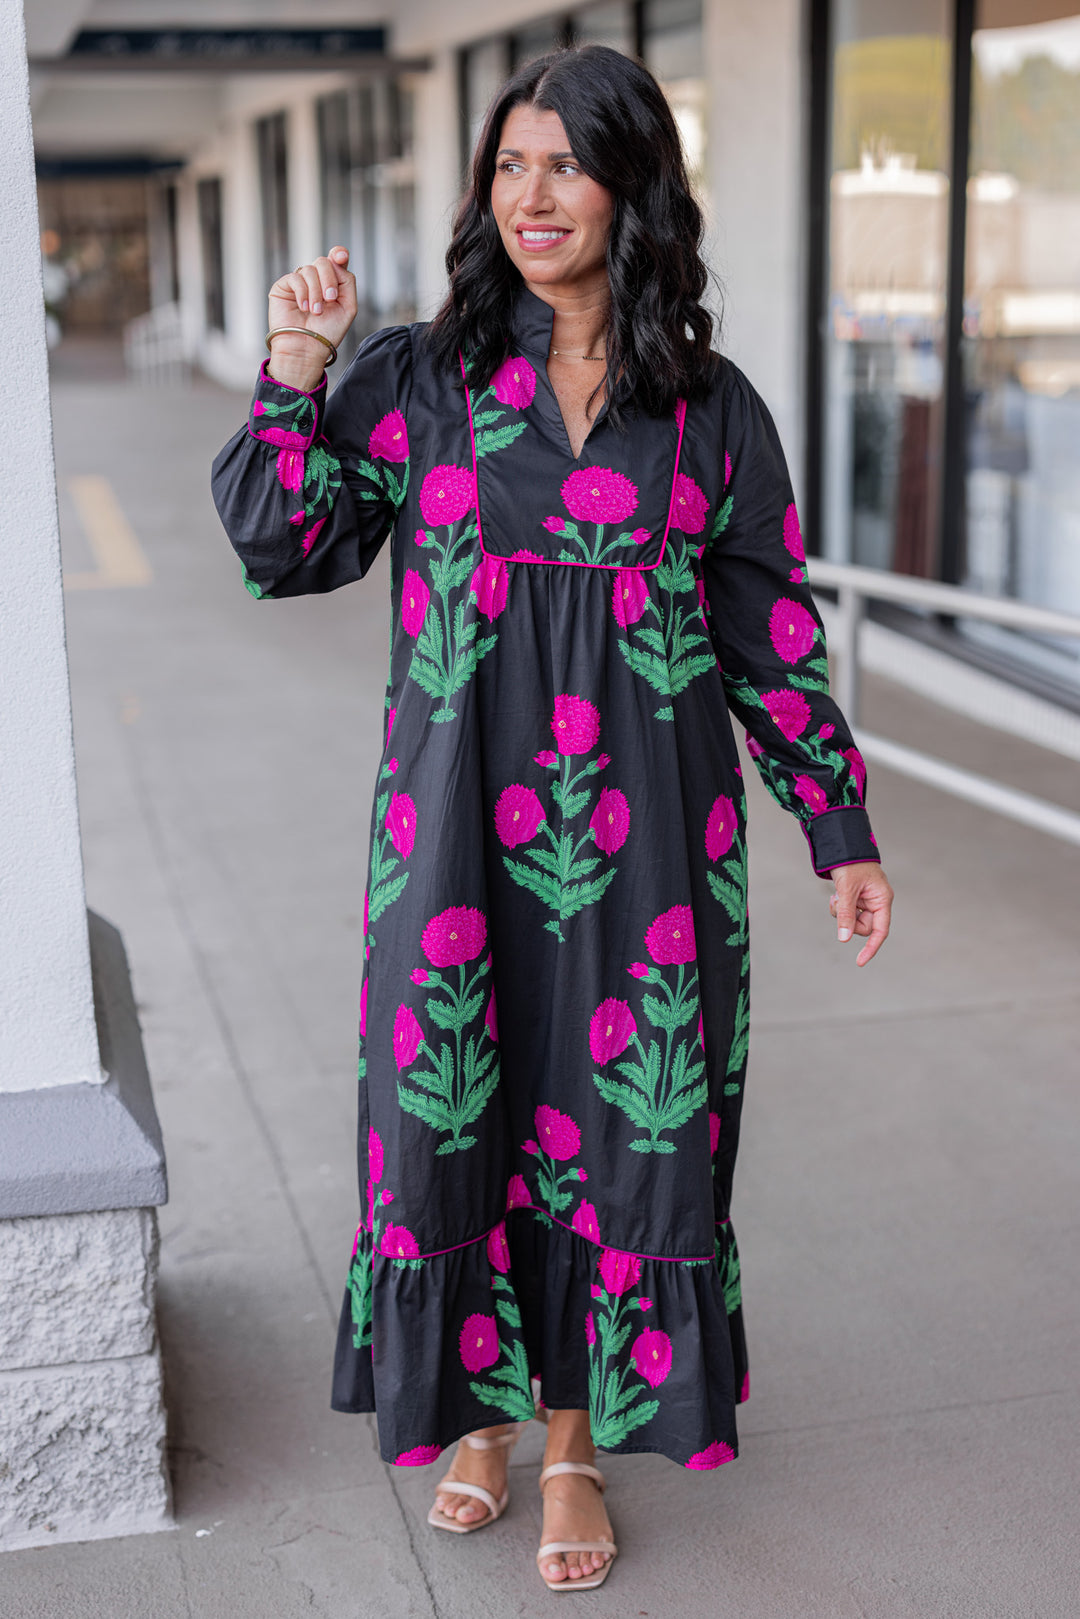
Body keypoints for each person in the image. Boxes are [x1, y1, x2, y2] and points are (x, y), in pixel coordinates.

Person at [211, 44, 893, 1594]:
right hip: (448, 848)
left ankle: (570, 1441)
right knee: (455, 1118)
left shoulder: (709, 411)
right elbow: (281, 544)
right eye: (509, 165)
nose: (534, 197)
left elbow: (768, 633)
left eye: (566, 166)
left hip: (656, 860)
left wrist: (836, 826)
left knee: (623, 1143)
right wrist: (295, 370)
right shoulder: (421, 375)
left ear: (631, 187)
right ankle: (479, 1416)